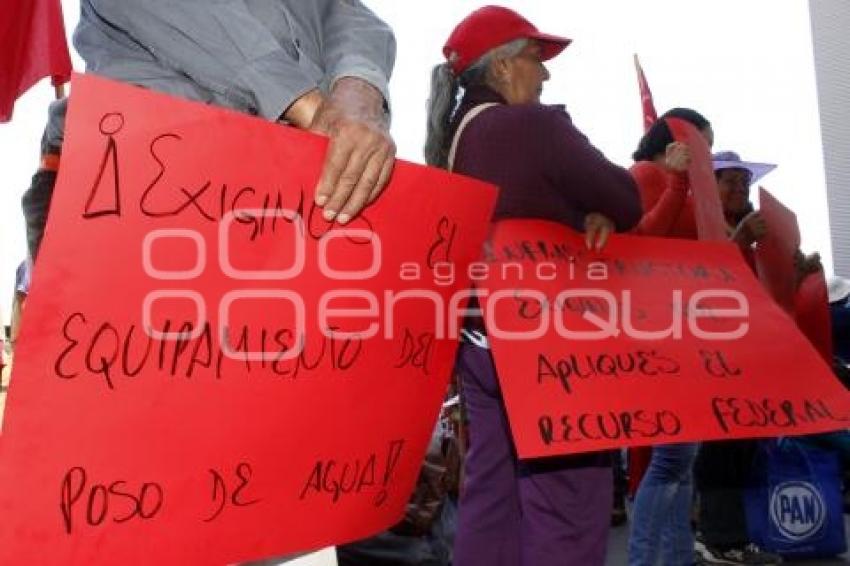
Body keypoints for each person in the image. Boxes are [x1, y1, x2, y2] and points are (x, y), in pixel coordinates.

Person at [425, 7, 642, 565]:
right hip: (548, 346)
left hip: (479, 346)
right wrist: (596, 211)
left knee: (492, 493)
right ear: (502, 68)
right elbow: (626, 198)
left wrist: (584, 211)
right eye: (535, 58)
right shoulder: (530, 126)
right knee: (566, 500)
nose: (545, 74)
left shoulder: (454, 144)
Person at [23, 0, 397, 260]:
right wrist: (317, 111)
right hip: (134, 176)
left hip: (296, 184)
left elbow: (348, 14)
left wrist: (358, 92)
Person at [626, 107, 714, 566]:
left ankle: (677, 556)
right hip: (658, 327)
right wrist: (678, 182)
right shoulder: (644, 173)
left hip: (683, 326)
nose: (709, 155)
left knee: (682, 459)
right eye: (705, 144)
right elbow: (642, 240)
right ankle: (644, 559)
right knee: (673, 457)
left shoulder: (692, 187)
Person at [693, 151, 782, 566]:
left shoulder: (747, 232)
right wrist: (741, 240)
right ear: (710, 186)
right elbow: (705, 279)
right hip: (712, 355)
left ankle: (737, 536)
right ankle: (719, 537)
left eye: (744, 184)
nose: (740, 190)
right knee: (720, 448)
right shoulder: (702, 226)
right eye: (730, 181)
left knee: (743, 447)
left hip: (748, 352)